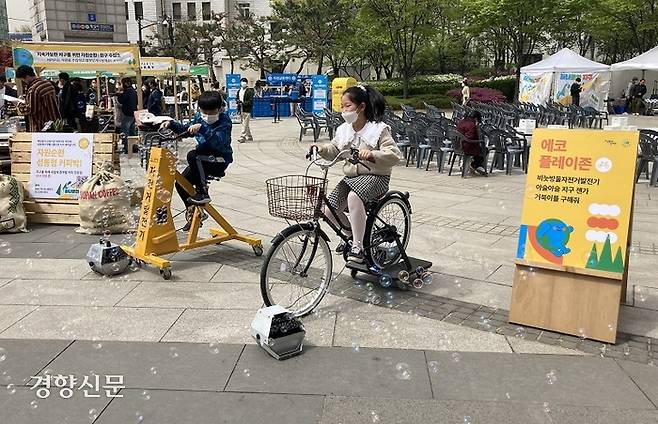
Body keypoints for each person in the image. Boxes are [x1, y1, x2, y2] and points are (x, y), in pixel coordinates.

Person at [311, 85, 402, 263]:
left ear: (361, 107)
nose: (344, 110)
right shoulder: (344, 129)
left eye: (347, 106)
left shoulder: (378, 129)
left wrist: (372, 154)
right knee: (328, 210)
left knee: (354, 197)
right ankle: (351, 234)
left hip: (376, 177)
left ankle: (358, 247)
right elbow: (335, 148)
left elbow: (394, 155)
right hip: (353, 178)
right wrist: (320, 148)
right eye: (342, 106)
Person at [161, 91, 233, 229]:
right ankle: (194, 213)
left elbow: (218, 142)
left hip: (219, 160)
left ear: (219, 109)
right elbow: (186, 129)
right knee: (181, 183)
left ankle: (203, 192)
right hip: (201, 160)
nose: (207, 114)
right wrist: (171, 124)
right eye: (204, 110)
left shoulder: (225, 121)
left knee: (193, 155)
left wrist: (203, 129)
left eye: (211, 111)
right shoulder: (199, 118)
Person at [14, 65, 60, 132]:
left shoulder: (34, 89)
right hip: (54, 123)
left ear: (27, 77)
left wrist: (18, 104)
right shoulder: (48, 84)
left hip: (41, 127)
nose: (24, 82)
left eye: (23, 79)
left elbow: (31, 110)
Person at [457, 110, 488, 176]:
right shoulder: (472, 125)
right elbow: (469, 137)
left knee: (480, 148)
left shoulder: (461, 122)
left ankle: (474, 165)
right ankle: (475, 165)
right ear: (476, 118)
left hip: (457, 145)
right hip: (466, 146)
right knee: (485, 149)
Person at [236, 78, 255, 143]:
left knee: (245, 123)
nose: (243, 83)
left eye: (244, 82)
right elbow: (236, 98)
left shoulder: (249, 91)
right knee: (245, 124)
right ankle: (249, 136)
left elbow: (250, 101)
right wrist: (238, 101)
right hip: (241, 109)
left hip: (247, 109)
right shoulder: (239, 91)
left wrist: (243, 103)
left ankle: (242, 136)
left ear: (247, 83)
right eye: (242, 82)